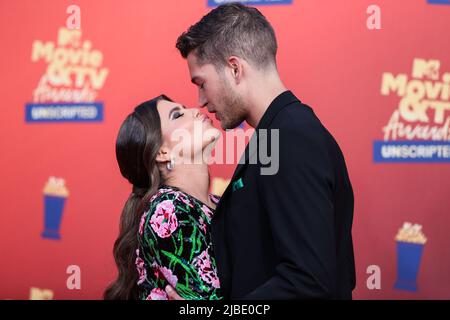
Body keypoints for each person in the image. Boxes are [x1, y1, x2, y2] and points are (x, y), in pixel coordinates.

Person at [166, 3, 356, 299]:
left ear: (234, 69)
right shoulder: (273, 135)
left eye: (202, 83)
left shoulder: (292, 137)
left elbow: (310, 281)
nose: (200, 100)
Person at [104, 95, 223, 300]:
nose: (195, 110)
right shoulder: (168, 211)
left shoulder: (219, 202)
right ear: (162, 151)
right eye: (177, 115)